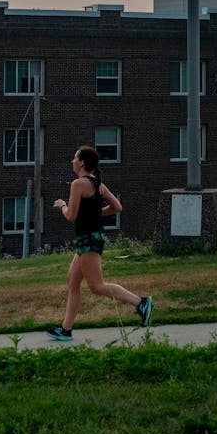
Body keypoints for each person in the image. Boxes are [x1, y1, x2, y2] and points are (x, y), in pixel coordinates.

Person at [43, 145, 152, 341]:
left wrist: (62, 206)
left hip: (89, 238)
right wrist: (96, 212)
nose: (72, 161)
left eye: (75, 158)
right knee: (72, 281)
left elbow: (71, 216)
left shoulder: (78, 184)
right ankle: (65, 330)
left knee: (97, 286)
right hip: (91, 237)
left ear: (82, 163)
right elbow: (117, 207)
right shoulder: (98, 184)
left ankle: (141, 303)